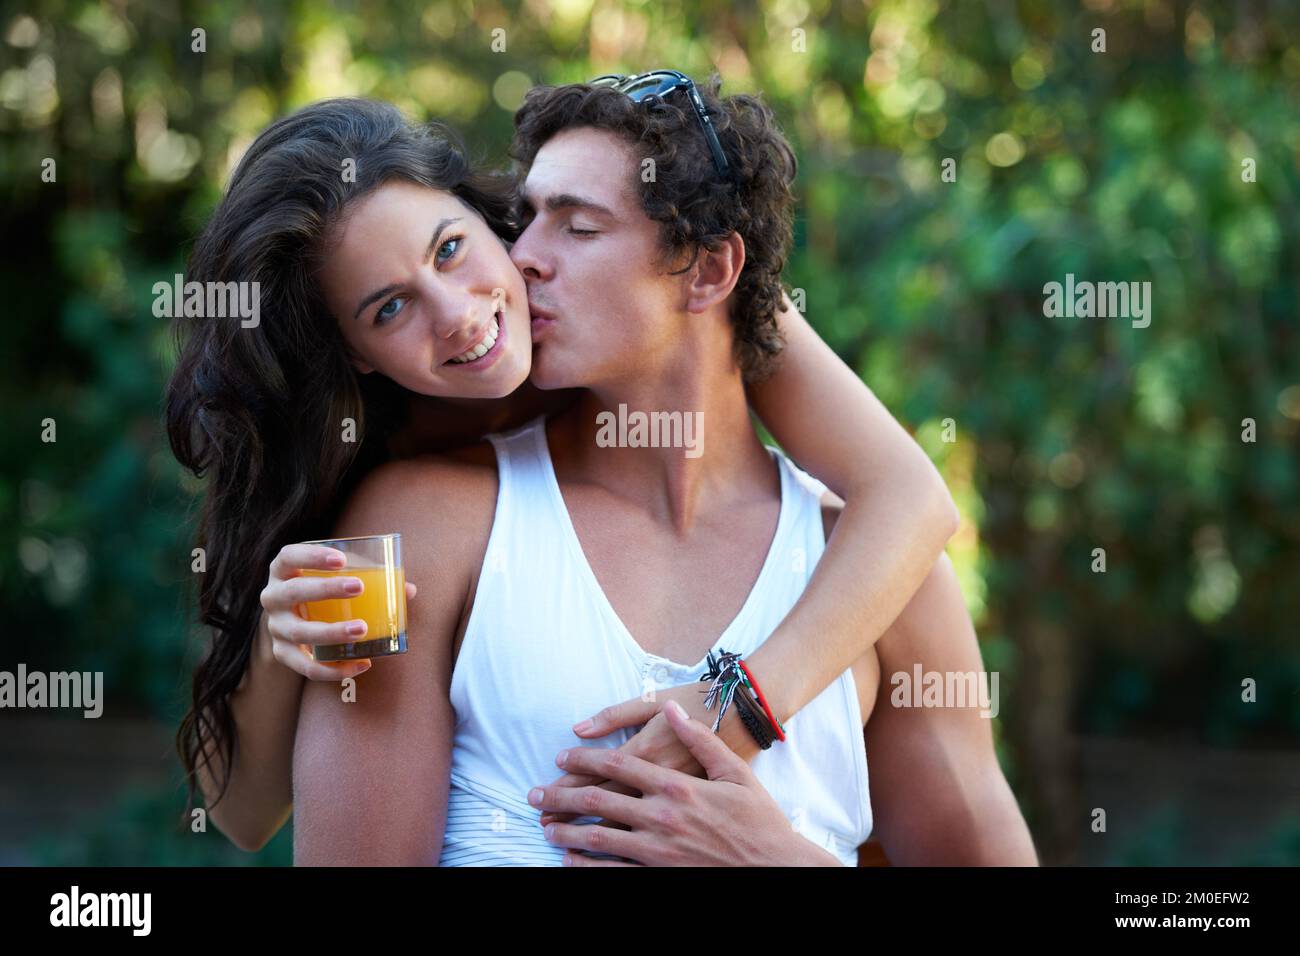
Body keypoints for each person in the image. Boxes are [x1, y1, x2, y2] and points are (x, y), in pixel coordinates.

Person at [284, 77, 1031, 865]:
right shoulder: (427, 529)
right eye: (527, 218)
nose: (522, 258)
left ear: (708, 273)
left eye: (577, 227)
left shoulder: (884, 579)